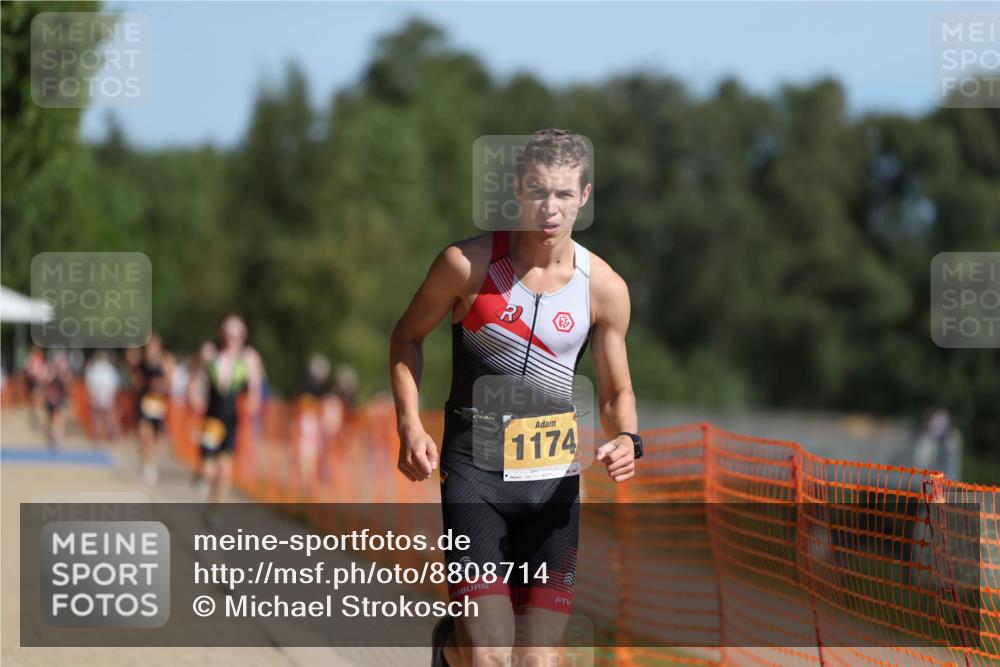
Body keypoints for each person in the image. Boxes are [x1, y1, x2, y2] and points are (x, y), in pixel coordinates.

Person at [389, 129, 641, 667]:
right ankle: (456, 647)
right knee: (490, 654)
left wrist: (626, 437)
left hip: (553, 487)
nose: (550, 208)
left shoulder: (604, 289)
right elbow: (406, 336)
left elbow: (618, 390)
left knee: (538, 658)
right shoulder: (467, 265)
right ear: (518, 190)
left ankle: (450, 648)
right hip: (474, 476)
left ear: (585, 197)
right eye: (538, 191)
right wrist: (409, 424)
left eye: (564, 194)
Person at [188, 314, 263, 524]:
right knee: (209, 468)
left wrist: (254, 402)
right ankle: (200, 475)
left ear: (243, 337)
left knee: (225, 469)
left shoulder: (248, 360)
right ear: (222, 335)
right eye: (229, 335)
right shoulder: (211, 355)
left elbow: (255, 387)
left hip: (232, 421)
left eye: (236, 336)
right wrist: (193, 393)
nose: (232, 339)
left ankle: (215, 510)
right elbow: (194, 374)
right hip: (212, 420)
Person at [136, 334, 170, 485]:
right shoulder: (141, 364)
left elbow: (169, 384)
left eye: (153, 347)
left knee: (154, 440)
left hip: (157, 406)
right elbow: (136, 383)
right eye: (148, 347)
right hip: (144, 404)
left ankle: (150, 461)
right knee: (144, 435)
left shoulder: (164, 363)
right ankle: (148, 466)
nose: (150, 350)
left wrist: (159, 385)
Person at [85, 351, 120, 445]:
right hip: (100, 396)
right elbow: (91, 383)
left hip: (105, 396)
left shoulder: (107, 369)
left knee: (106, 417)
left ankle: (110, 436)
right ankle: (98, 436)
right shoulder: (97, 369)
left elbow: (113, 384)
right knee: (98, 418)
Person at [44, 350, 73, 449]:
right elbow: (47, 380)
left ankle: (56, 438)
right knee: (51, 418)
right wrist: (54, 371)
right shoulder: (51, 369)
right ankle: (52, 436)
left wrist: (62, 374)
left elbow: (68, 384)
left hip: (60, 399)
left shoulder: (65, 372)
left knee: (58, 418)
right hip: (51, 398)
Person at [24, 344, 48, 431]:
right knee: (34, 399)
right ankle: (34, 416)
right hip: (33, 382)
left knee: (39, 399)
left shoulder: (41, 360)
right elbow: (28, 370)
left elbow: (44, 370)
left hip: (39, 382)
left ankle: (38, 416)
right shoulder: (31, 359)